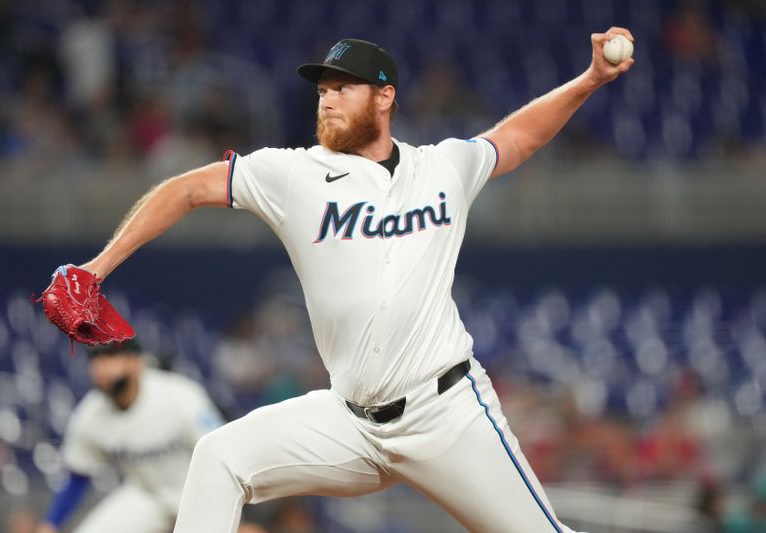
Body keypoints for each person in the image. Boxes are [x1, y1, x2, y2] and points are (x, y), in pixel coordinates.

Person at [71, 29, 634, 532]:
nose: (328, 98)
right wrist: (96, 269)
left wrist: (588, 80)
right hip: (350, 423)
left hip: (446, 413)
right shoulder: (292, 174)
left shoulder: (442, 167)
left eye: (344, 87)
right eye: (323, 90)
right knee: (218, 457)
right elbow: (184, 189)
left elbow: (516, 138)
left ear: (385, 96)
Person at [34, 340, 223, 533]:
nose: (100, 367)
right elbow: (78, 475)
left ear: (136, 363)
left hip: (197, 491)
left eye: (110, 357)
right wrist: (51, 524)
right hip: (146, 495)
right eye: (95, 360)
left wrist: (239, 511)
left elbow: (223, 453)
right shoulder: (90, 415)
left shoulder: (180, 395)